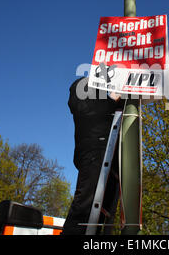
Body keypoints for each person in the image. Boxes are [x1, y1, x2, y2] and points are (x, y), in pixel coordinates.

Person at [62, 76, 124, 235]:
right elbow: (106, 103)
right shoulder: (89, 104)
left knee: (95, 209)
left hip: (95, 154)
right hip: (95, 154)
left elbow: (107, 103)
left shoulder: (88, 105)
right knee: (86, 206)